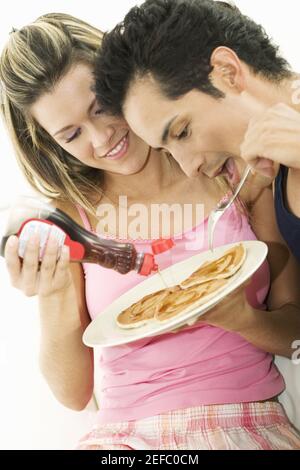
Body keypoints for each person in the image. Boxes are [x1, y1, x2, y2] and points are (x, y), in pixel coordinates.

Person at [1, 13, 300, 451]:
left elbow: (295, 334)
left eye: (101, 106)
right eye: (72, 134)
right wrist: (51, 291)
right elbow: (73, 394)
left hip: (249, 421)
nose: (102, 138)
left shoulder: (234, 174)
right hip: (125, 440)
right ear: (51, 145)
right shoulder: (70, 223)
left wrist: (242, 320)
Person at [94, 0, 300, 261]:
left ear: (227, 71)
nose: (189, 169)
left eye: (182, 132)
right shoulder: (275, 174)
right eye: (166, 150)